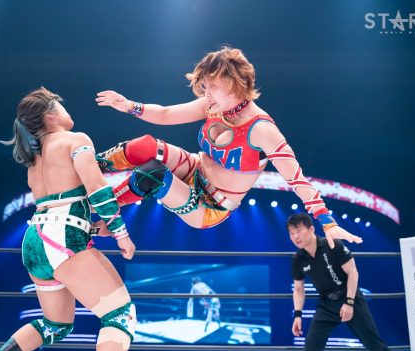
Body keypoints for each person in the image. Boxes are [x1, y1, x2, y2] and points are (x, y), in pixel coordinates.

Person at [95, 46, 362, 247]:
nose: (206, 93)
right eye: (205, 86)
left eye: (213, 86)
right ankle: (87, 168)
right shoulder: (213, 105)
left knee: (152, 174)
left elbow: (296, 179)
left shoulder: (262, 130)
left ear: (235, 83)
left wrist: (327, 222)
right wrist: (129, 106)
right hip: (195, 170)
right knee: (144, 146)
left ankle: (102, 210)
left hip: (211, 206)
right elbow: (165, 114)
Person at [0, 87, 137, 351]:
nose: (67, 110)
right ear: (50, 114)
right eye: (61, 105)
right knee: (119, 315)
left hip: (36, 240)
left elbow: (59, 204)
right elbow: (97, 189)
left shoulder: (35, 159)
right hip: (63, 237)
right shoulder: (76, 140)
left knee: (56, 324)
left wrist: (91, 226)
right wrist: (120, 232)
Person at [286, 213, 415, 351]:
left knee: (376, 346)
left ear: (311, 229)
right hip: (326, 304)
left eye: (298, 231)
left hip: (350, 297)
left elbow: (353, 272)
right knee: (311, 346)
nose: (295, 236)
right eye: (291, 233)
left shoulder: (333, 244)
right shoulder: (298, 259)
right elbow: (298, 289)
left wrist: (349, 302)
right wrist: (297, 315)